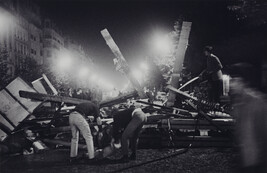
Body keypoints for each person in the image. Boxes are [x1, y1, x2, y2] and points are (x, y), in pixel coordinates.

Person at [229, 63, 267, 173]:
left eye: (235, 80)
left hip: (256, 163)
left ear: (243, 82)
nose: (232, 84)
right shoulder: (238, 103)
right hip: (245, 160)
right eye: (232, 80)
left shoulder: (258, 103)